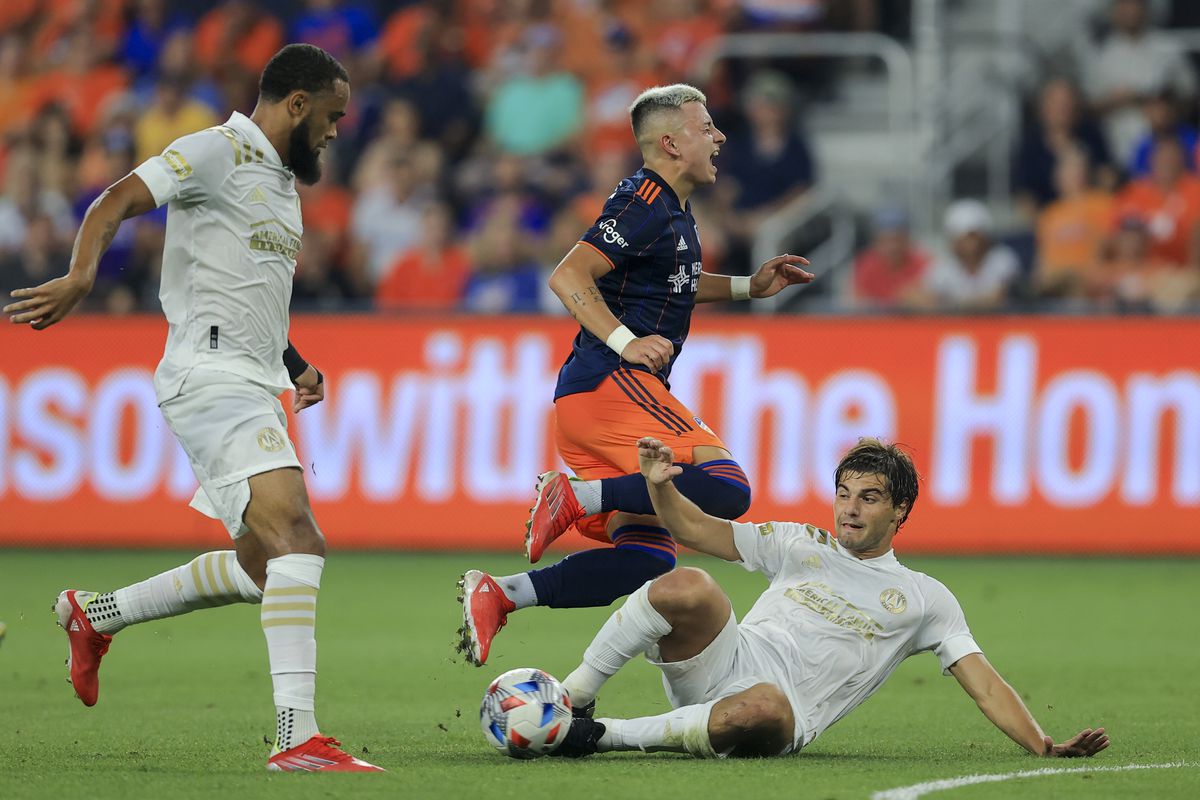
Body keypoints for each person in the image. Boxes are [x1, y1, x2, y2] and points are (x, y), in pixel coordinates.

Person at [3, 43, 382, 773]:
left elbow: (248, 294)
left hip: (250, 374)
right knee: (299, 540)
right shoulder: (214, 150)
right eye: (331, 116)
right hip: (210, 378)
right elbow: (116, 198)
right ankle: (296, 738)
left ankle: (95, 614)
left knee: (266, 567)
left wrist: (296, 364)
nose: (336, 131)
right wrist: (83, 275)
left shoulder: (281, 180)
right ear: (296, 104)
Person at [457, 83, 814, 666]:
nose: (719, 137)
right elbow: (570, 276)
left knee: (647, 557)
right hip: (610, 382)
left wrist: (752, 286)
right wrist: (626, 341)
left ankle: (503, 594)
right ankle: (573, 494)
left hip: (591, 402)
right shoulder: (644, 201)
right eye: (706, 128)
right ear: (671, 143)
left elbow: (674, 283)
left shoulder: (670, 208)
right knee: (726, 485)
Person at [546, 437, 1111, 760]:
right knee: (688, 583)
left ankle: (599, 737)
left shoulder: (924, 599)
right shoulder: (800, 542)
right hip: (728, 658)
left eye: (869, 498)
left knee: (762, 705)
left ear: (900, 512)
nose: (850, 509)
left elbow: (984, 683)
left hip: (782, 712)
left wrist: (1043, 745)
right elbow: (695, 530)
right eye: (843, 495)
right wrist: (660, 486)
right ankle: (574, 698)